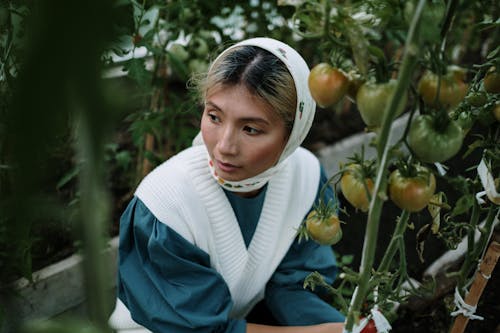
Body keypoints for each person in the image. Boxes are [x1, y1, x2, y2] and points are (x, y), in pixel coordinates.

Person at [108, 37, 345, 333]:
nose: (224, 146)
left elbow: (296, 284)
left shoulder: (305, 178)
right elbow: (198, 329)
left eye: (250, 129)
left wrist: (341, 327)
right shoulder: (166, 204)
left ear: (293, 133)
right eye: (214, 116)